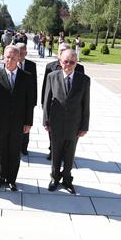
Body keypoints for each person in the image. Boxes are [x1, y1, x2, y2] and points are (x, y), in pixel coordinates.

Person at [43, 49, 90, 194]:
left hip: (74, 124)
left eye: (72, 62)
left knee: (70, 154)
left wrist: (84, 126)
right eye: (65, 61)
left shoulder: (84, 80)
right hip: (56, 123)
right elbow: (47, 100)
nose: (68, 65)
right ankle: (55, 178)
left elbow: (86, 104)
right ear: (60, 62)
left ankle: (67, 179)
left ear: (76, 63)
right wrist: (46, 120)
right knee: (56, 152)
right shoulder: (52, 76)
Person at [0, 45, 34, 191]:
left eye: (13, 57)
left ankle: (12, 179)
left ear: (19, 58)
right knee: (1, 151)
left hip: (18, 123)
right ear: (3, 57)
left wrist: (28, 122)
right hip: (0, 122)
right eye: (7, 56)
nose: (10, 60)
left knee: (14, 152)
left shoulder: (26, 77)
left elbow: (29, 102)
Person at [41, 43, 86, 160]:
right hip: (56, 111)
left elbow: (82, 91)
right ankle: (53, 150)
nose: (62, 53)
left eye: (65, 50)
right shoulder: (50, 67)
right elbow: (46, 88)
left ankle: (65, 154)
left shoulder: (79, 68)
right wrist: (43, 104)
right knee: (54, 135)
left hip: (71, 114)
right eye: (61, 51)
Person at [16, 43, 37, 155]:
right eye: (18, 52)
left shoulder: (31, 65)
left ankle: (24, 146)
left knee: (26, 124)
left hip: (27, 100)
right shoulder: (11, 63)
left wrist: (34, 101)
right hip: (14, 100)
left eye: (23, 52)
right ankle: (16, 145)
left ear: (26, 53)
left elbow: (34, 84)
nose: (20, 55)